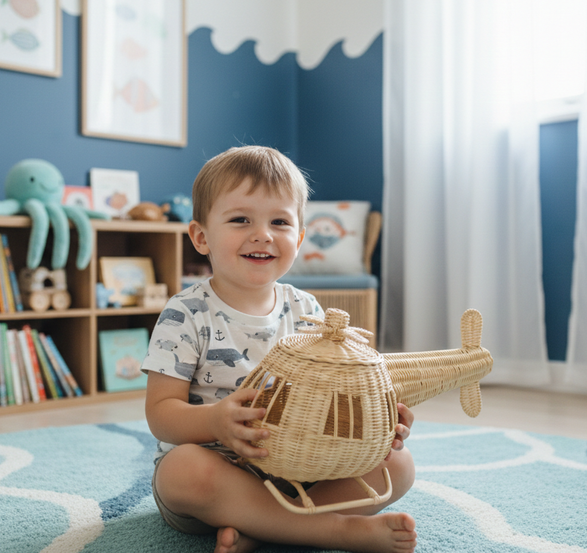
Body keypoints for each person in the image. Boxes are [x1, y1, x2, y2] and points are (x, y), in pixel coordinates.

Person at [142, 145, 417, 553]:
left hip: (303, 470)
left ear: (300, 237)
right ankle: (334, 532)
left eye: (280, 222)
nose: (263, 234)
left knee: (399, 465)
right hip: (217, 477)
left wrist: (373, 421)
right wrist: (216, 422)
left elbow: (334, 396)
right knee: (182, 472)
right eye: (240, 220)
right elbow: (161, 415)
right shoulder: (185, 313)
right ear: (201, 237)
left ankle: (265, 530)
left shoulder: (309, 310)